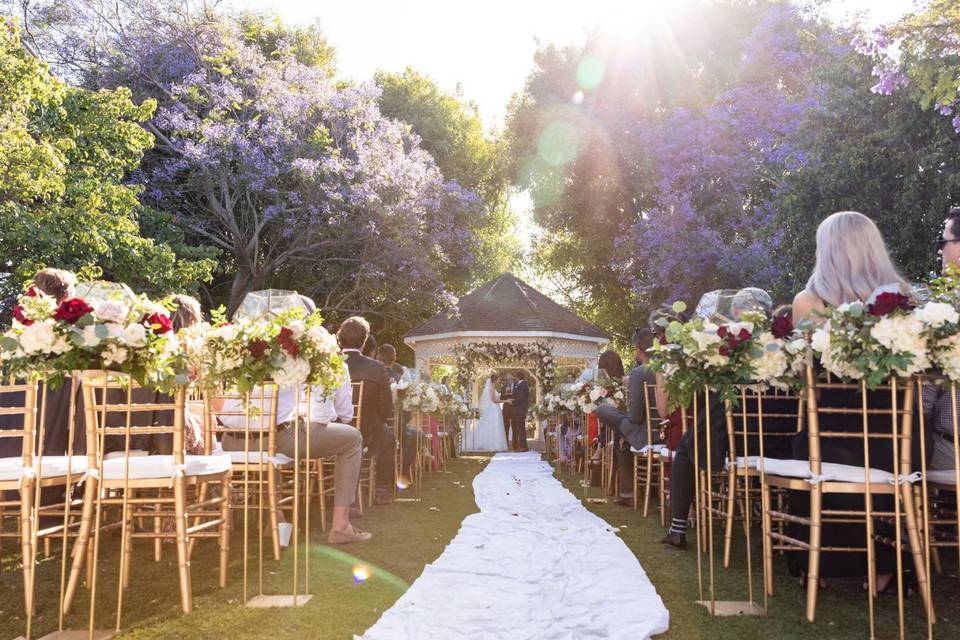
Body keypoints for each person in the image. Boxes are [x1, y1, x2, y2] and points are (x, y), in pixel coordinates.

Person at [790, 210, 929, 590]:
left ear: (827, 251)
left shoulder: (809, 303)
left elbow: (808, 382)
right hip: (902, 442)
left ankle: (814, 562)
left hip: (834, 443)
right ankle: (887, 565)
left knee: (804, 443)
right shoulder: (905, 299)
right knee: (871, 446)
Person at [661, 287, 773, 550]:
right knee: (698, 434)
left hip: (736, 435)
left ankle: (678, 527)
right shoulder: (777, 342)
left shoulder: (731, 346)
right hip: (779, 438)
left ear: (735, 311)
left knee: (687, 447)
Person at [218, 365, 368, 544]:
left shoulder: (237, 355)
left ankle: (276, 517)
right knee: (352, 439)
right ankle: (341, 526)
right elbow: (321, 416)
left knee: (268, 449)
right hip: (277, 440)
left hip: (231, 442)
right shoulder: (299, 357)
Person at [338, 316, 397, 506]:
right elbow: (386, 407)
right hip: (368, 431)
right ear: (364, 341)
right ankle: (381, 490)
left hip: (335, 428)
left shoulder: (327, 364)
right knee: (390, 440)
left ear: (339, 339)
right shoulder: (377, 368)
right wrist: (375, 423)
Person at [595, 330, 658, 506]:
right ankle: (626, 492)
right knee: (622, 434)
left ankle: (627, 493)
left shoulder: (640, 373)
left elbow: (635, 417)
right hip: (667, 430)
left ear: (639, 350)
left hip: (647, 433)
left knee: (603, 410)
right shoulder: (671, 369)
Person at [922, 206, 960, 471]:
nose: (939, 251)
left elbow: (924, 397)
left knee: (873, 450)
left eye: (942, 242)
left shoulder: (947, 308)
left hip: (951, 453)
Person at [465, 373, 509, 451]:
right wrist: (506, 401)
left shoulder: (492, 387)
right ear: (495, 380)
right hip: (493, 409)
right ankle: (493, 444)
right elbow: (494, 400)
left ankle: (496, 443)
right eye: (497, 380)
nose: (498, 381)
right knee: (493, 426)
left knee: (495, 426)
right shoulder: (491, 388)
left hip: (495, 409)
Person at [507, 371, 530, 452]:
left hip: (520, 409)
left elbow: (522, 398)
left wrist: (512, 401)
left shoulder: (523, 385)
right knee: (520, 428)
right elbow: (519, 396)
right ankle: (523, 446)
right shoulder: (520, 384)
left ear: (518, 377)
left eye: (515, 377)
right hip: (518, 409)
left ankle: (523, 447)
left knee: (521, 428)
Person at [500, 372, 516, 446]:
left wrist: (513, 399)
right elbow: (501, 398)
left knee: (515, 427)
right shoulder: (503, 387)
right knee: (505, 427)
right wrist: (505, 395)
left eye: (510, 379)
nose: (509, 380)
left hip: (514, 409)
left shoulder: (517, 386)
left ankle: (515, 444)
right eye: (507, 379)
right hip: (506, 409)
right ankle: (505, 444)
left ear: (512, 379)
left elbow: (518, 396)